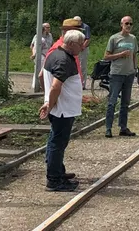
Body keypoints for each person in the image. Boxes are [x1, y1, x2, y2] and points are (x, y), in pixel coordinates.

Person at [40, 29, 85, 192]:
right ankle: (54, 179)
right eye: (81, 44)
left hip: (61, 108)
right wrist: (50, 104)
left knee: (56, 141)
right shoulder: (64, 60)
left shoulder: (54, 54)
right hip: (63, 110)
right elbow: (55, 86)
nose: (82, 47)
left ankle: (58, 171)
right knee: (57, 143)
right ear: (72, 44)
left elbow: (43, 78)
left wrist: (47, 101)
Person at [103, 16, 138, 138]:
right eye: (126, 23)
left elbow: (134, 55)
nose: (128, 25)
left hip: (129, 73)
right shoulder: (114, 38)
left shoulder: (133, 38)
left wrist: (135, 68)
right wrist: (120, 54)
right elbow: (106, 56)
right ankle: (108, 128)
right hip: (116, 74)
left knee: (125, 102)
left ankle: (123, 127)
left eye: (131, 24)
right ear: (121, 24)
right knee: (112, 101)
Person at [30, 23, 53, 90]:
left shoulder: (50, 36)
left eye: (49, 27)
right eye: (47, 27)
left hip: (47, 55)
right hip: (41, 55)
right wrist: (34, 54)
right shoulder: (38, 37)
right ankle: (36, 85)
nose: (49, 29)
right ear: (44, 29)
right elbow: (33, 46)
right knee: (39, 70)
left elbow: (51, 45)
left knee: (45, 71)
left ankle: (41, 85)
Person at [74, 16, 92, 89]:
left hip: (83, 49)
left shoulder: (85, 27)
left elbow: (87, 39)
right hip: (75, 48)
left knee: (82, 66)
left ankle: (82, 84)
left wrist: (82, 47)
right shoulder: (74, 27)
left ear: (80, 21)